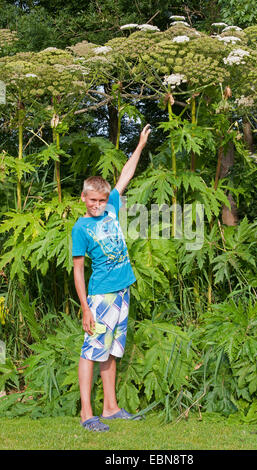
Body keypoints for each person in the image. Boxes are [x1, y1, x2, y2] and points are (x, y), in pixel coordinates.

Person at [71, 124, 151, 432]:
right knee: (91, 351)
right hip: (100, 296)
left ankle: (111, 407)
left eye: (101, 200)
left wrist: (141, 144)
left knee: (111, 351)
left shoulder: (112, 210)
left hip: (122, 291)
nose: (97, 205)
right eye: (92, 200)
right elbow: (79, 269)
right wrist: (85, 307)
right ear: (84, 198)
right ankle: (87, 414)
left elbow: (126, 176)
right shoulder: (81, 228)